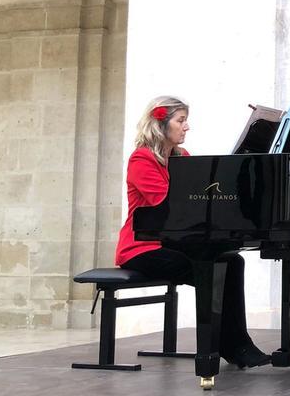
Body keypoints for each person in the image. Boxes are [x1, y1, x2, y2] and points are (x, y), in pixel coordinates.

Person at [115, 95, 271, 369]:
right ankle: (223, 349)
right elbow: (166, 206)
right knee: (212, 270)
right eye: (181, 120)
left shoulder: (182, 157)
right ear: (160, 124)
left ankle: (238, 344)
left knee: (232, 261)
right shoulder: (141, 159)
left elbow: (197, 197)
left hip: (172, 243)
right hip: (141, 248)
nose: (186, 127)